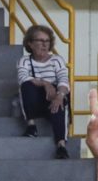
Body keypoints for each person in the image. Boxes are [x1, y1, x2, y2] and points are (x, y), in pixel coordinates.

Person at [17, 24, 71, 159]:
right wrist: (46, 84)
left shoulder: (57, 60)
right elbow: (23, 78)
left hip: (53, 99)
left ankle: (61, 145)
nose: (44, 44)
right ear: (30, 43)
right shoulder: (24, 61)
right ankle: (31, 125)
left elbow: (64, 80)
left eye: (47, 41)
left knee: (61, 102)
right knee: (26, 85)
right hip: (34, 101)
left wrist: (59, 95)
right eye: (40, 41)